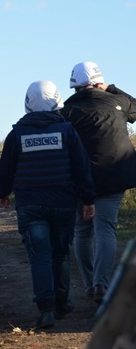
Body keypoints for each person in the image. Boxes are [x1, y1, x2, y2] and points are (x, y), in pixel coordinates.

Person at [0, 80, 96, 329]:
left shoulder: (17, 134)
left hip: (30, 205)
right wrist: (88, 200)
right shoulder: (67, 131)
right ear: (57, 102)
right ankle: (62, 303)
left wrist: (3, 192)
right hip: (63, 204)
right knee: (60, 254)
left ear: (28, 104)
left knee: (40, 257)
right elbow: (81, 168)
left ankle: (46, 310)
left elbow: (6, 169)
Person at [61, 61, 136, 305]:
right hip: (115, 176)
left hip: (81, 180)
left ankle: (90, 284)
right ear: (98, 82)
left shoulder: (66, 112)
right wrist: (112, 88)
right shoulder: (118, 103)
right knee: (106, 229)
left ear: (74, 86)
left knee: (82, 231)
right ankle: (101, 284)